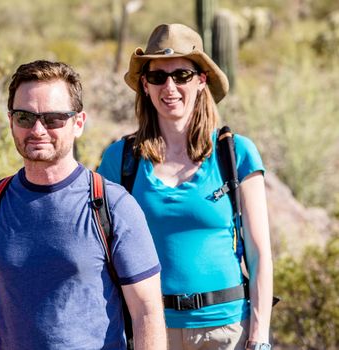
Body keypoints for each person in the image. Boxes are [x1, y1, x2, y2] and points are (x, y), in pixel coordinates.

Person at [0, 60, 167, 350]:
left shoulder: (112, 206)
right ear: (11, 122)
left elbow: (147, 310)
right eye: (25, 117)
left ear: (78, 123)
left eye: (54, 118)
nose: (38, 129)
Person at [98, 24, 273, 350]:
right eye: (157, 77)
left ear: (201, 80)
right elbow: (101, 251)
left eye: (181, 75)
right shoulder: (120, 160)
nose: (169, 87)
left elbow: (260, 253)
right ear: (145, 86)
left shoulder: (235, 153)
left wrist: (259, 337)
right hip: (150, 331)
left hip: (226, 330)